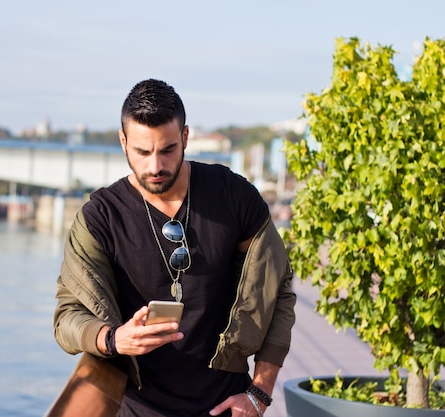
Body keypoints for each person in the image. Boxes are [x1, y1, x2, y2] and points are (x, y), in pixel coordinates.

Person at [53, 79, 296, 417]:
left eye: (167, 149)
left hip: (225, 407)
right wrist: (113, 339)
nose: (155, 166)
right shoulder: (99, 219)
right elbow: (67, 317)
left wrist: (260, 393)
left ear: (185, 137)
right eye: (142, 151)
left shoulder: (233, 196)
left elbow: (279, 289)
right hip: (137, 408)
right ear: (123, 142)